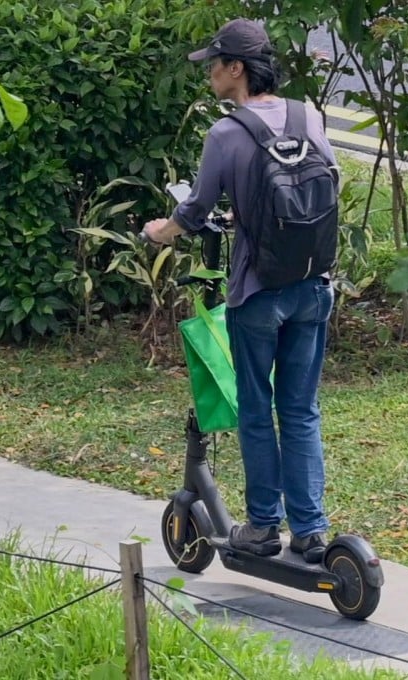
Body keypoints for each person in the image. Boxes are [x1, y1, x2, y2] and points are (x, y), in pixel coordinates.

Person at [142, 18, 338, 564]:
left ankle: (261, 527)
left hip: (259, 294)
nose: (209, 71)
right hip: (313, 286)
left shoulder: (227, 133)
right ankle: (310, 531)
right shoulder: (308, 115)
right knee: (300, 411)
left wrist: (160, 230)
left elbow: (195, 209)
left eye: (215, 63)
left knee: (257, 408)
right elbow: (330, 184)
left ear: (237, 70)